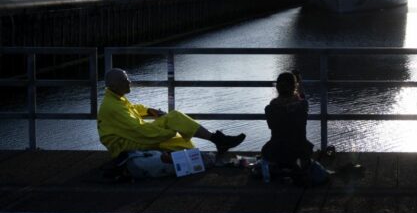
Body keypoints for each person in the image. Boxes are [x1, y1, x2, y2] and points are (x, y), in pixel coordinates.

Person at [97, 68, 246, 158]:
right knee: (174, 124)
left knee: (177, 126)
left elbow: (134, 108)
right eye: (125, 80)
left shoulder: (115, 98)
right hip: (123, 146)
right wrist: (169, 131)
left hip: (131, 137)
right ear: (115, 85)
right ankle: (218, 140)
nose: (129, 82)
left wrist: (149, 110)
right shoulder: (113, 106)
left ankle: (218, 140)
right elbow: (140, 131)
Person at [261, 71, 314, 169]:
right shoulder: (302, 105)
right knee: (302, 144)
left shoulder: (270, 108)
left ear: (277, 88)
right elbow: (302, 98)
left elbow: (271, 126)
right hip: (299, 149)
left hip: (277, 150)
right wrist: (299, 83)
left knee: (267, 149)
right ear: (295, 87)